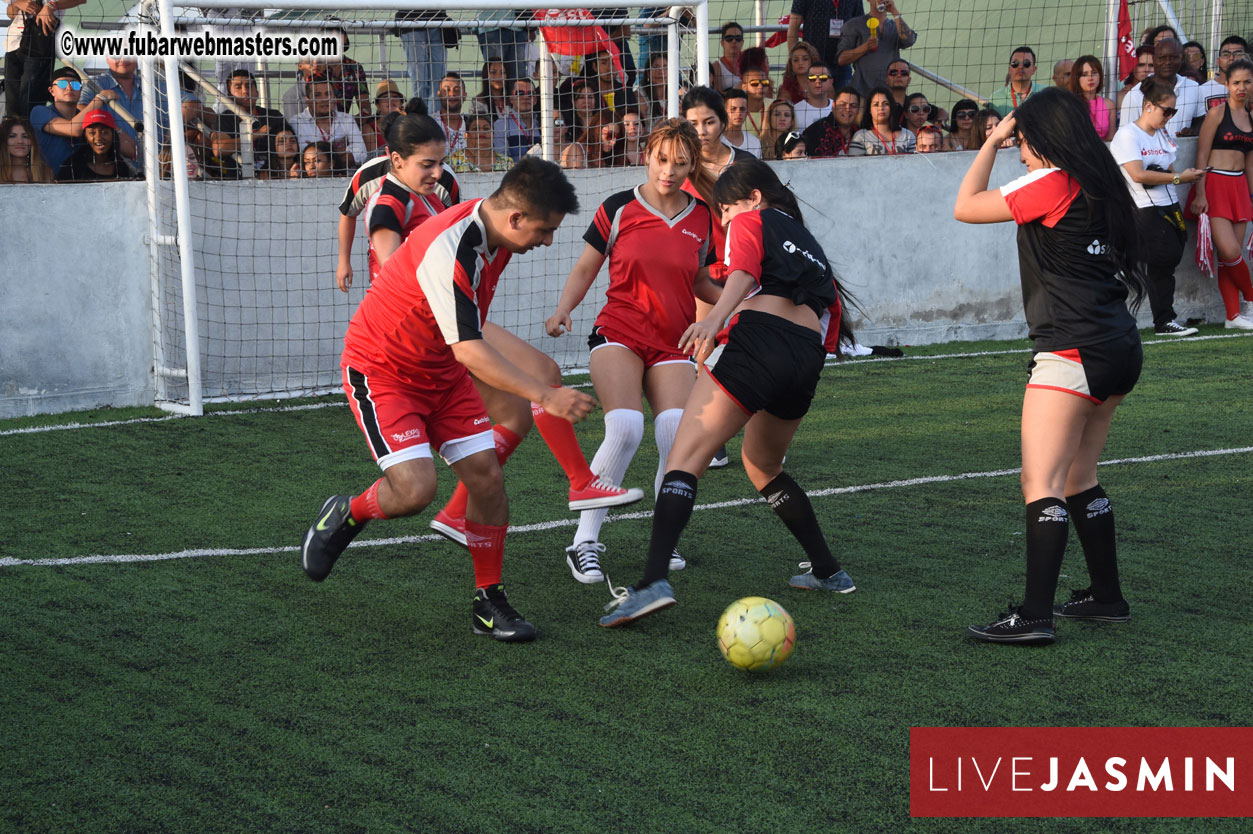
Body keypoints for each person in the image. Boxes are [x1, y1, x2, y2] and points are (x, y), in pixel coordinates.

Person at [300, 158, 597, 643]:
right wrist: (546, 393)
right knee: (415, 492)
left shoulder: (496, 236)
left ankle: (489, 601)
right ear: (515, 218)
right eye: (544, 231)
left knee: (487, 477)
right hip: (383, 371)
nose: (546, 242)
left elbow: (466, 341)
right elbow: (470, 347)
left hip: (443, 369)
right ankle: (349, 512)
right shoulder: (452, 247)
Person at [599, 157, 856, 627]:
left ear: (753, 197)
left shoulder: (752, 219)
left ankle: (653, 580)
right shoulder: (810, 244)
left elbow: (743, 274)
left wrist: (713, 323)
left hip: (761, 341)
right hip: (806, 357)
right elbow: (830, 319)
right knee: (763, 466)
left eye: (725, 211)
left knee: (684, 457)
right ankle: (828, 570)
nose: (723, 221)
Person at [954, 87, 1147, 645]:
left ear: (1044, 137)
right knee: (1080, 476)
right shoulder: (1106, 183)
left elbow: (966, 205)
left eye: (1022, 140)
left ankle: (1034, 615)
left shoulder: (1052, 180)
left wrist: (989, 137)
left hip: (1072, 348)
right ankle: (1107, 597)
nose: (1019, 150)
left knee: (1041, 482)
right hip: (1118, 347)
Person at [545, 120, 719, 583]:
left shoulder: (703, 216)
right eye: (662, 160)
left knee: (674, 429)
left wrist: (739, 303)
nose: (669, 171)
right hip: (619, 331)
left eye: (681, 164)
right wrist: (564, 308)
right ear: (647, 154)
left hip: (674, 341)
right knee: (624, 426)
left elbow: (700, 279)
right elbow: (587, 267)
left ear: (691, 166)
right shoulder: (618, 207)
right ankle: (583, 542)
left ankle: (665, 540)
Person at [1110, 76, 1205, 337]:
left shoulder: (1162, 134)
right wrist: (1179, 178)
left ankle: (1123, 258)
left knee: (1171, 256)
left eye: (1173, 111)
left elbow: (1169, 168)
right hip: (1145, 206)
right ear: (1149, 106)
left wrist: (1179, 176)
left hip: (1168, 203)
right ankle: (1164, 319)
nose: (1170, 117)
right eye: (1167, 111)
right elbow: (1138, 175)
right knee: (1162, 260)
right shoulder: (1127, 135)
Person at [1192, 57, 1253, 329]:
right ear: (1227, 84)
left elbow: (1250, 161)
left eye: (1247, 82)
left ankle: (1232, 317)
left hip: (1239, 187)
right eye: (1236, 82)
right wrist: (1200, 194)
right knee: (1228, 251)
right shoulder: (1217, 113)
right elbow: (1201, 155)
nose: (1242, 87)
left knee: (1232, 255)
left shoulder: (1251, 117)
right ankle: (1251, 298)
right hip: (1215, 185)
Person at [362, 114, 448, 284]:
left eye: (441, 163)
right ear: (397, 159)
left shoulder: (426, 194)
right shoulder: (389, 203)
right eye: (427, 165)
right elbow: (394, 277)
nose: (437, 173)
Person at [4, 0, 83, 119]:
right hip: (13, 43)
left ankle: (30, 134)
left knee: (29, 104)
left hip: (41, 42)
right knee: (12, 108)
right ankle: (13, 133)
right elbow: (11, 13)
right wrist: (18, 3)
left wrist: (51, 6)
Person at [212, 69, 291, 178]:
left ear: (257, 93)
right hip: (236, 179)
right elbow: (219, 149)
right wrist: (255, 136)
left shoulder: (274, 116)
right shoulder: (225, 118)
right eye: (238, 87)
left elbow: (289, 145)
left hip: (273, 176)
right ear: (230, 96)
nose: (245, 91)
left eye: (249, 86)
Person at [1118, 38, 1204, 137]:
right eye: (1162, 58)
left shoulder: (1194, 88)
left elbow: (1200, 121)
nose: (1168, 62)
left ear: (1182, 59)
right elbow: (1126, 134)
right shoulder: (1135, 95)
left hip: (1183, 150)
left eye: (1173, 57)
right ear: (1154, 60)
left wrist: (1191, 132)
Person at [837, 0, 917, 98]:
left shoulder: (896, 25)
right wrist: (865, 47)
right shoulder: (854, 25)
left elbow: (909, 41)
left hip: (889, 94)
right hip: (862, 93)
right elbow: (842, 59)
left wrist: (895, 12)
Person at [292, 76, 367, 173]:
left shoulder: (346, 119)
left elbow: (361, 154)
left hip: (347, 179)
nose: (324, 99)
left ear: (334, 98)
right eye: (317, 95)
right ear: (308, 100)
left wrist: (321, 157)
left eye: (328, 94)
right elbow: (302, 158)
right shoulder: (297, 122)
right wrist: (342, 150)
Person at [787, 0, 864, 90]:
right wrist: (794, 61)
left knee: (843, 102)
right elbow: (793, 28)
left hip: (843, 64)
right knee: (814, 102)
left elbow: (860, 28)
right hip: (813, 65)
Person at [29, 66, 92, 173]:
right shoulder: (39, 112)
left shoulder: (83, 116)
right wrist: (98, 101)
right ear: (52, 90)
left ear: (81, 90)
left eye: (75, 85)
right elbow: (73, 129)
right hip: (47, 183)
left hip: (80, 183)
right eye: (62, 84)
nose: (69, 88)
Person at [55, 107, 136, 181]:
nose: (99, 137)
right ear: (85, 137)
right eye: (92, 133)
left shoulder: (122, 166)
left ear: (113, 136)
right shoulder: (72, 166)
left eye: (104, 132)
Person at [395, 9, 450, 105]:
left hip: (435, 21)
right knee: (422, 79)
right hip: (412, 22)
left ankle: (432, 116)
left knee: (437, 81)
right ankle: (422, 116)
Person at [849, 86, 915, 154]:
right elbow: (855, 164)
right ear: (869, 110)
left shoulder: (908, 135)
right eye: (876, 104)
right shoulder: (861, 136)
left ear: (891, 107)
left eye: (886, 104)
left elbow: (916, 162)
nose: (881, 108)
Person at [800, 85, 860, 158]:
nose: (848, 109)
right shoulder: (814, 132)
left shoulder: (860, 133)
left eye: (853, 105)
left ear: (858, 110)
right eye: (842, 105)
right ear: (833, 106)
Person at [1067, 55, 1115, 141]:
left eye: (1094, 73)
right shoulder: (1070, 104)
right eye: (1084, 74)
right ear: (1077, 78)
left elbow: (1111, 139)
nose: (1090, 78)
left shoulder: (1109, 105)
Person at [492, 78, 541, 162]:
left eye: (530, 93)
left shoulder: (543, 123)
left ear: (535, 99)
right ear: (511, 99)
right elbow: (503, 160)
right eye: (520, 93)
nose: (526, 97)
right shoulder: (500, 125)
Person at [1200, 36, 1249, 110]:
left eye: (1237, 54)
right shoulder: (1202, 90)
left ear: (1247, 59)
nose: (1231, 58)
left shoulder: (1250, 89)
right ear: (1218, 61)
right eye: (1226, 54)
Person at [0, 114, 53, 182]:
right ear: (3, 141)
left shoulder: (45, 172)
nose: (20, 141)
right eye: (12, 136)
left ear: (32, 141)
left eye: (25, 136)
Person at [360, 80, 407, 156]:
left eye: (395, 97)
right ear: (377, 105)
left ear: (401, 102)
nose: (391, 100)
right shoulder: (370, 128)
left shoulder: (407, 124)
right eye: (385, 97)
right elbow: (373, 159)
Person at [989, 46, 1039, 116]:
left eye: (1026, 63)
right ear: (1009, 69)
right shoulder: (995, 98)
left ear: (1034, 69)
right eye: (1015, 63)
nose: (1021, 67)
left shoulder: (1045, 93)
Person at [432, 73, 469, 156]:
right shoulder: (430, 123)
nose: (452, 94)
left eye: (457, 90)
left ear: (465, 95)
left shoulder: (470, 125)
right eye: (446, 90)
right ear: (439, 94)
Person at [793, 61, 835, 129]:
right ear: (807, 82)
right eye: (812, 78)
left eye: (823, 77)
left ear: (830, 82)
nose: (817, 81)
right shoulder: (795, 110)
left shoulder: (838, 109)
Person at [722, 90, 762, 158]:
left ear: (747, 112)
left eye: (742, 109)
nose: (738, 113)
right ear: (724, 112)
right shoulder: (717, 140)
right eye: (733, 109)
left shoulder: (754, 142)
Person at [1117, 45, 1155, 114]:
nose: (1146, 70)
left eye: (1151, 65)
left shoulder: (1162, 93)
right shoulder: (1123, 95)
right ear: (1132, 66)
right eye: (1141, 65)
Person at [739, 66, 773, 137]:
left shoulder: (775, 105)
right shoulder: (735, 109)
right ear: (744, 86)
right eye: (754, 83)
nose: (760, 86)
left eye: (764, 82)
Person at [711, 22, 745, 92]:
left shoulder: (750, 61)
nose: (734, 41)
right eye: (729, 38)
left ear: (742, 42)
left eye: (738, 38)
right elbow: (719, 96)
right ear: (722, 43)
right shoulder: (717, 67)